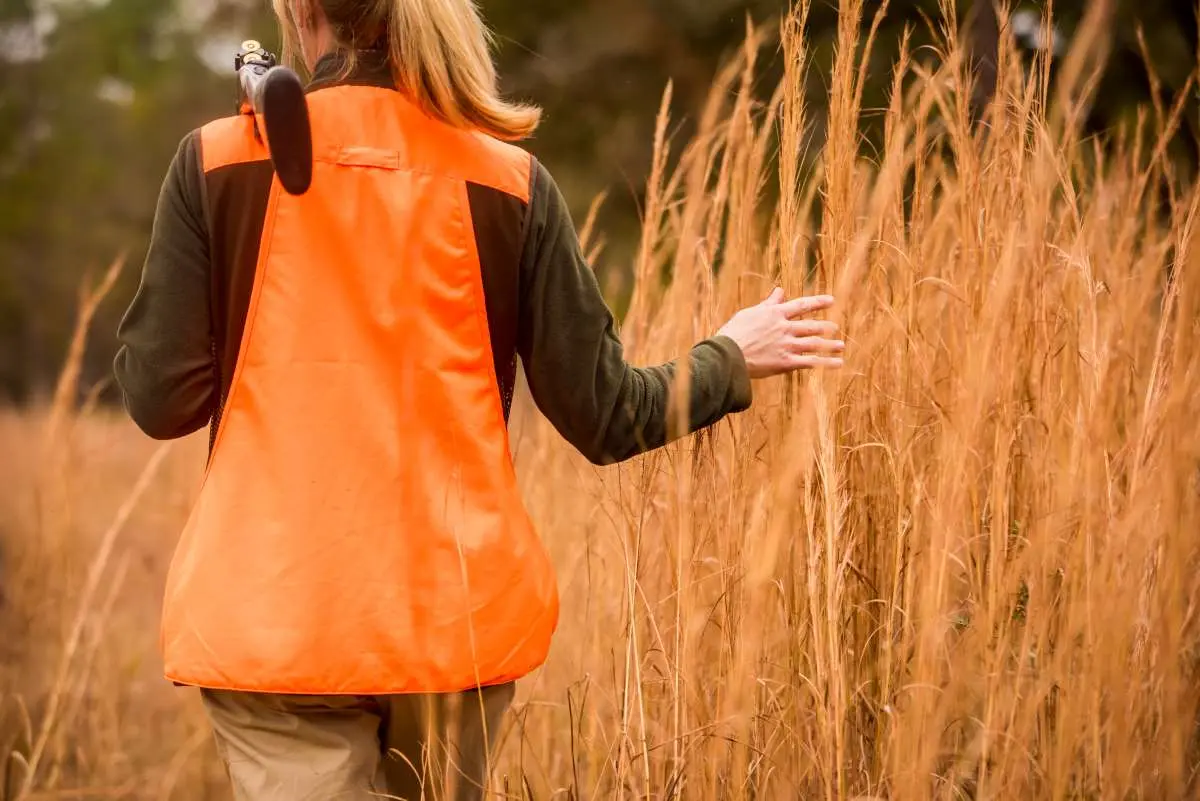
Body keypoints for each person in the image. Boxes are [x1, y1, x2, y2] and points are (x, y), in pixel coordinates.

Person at [112, 0, 845, 799]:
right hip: (452, 622)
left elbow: (161, 399)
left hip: (273, 622)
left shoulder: (218, 163)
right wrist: (731, 355)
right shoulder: (508, 180)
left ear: (297, 10)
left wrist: (233, 257)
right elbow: (608, 415)